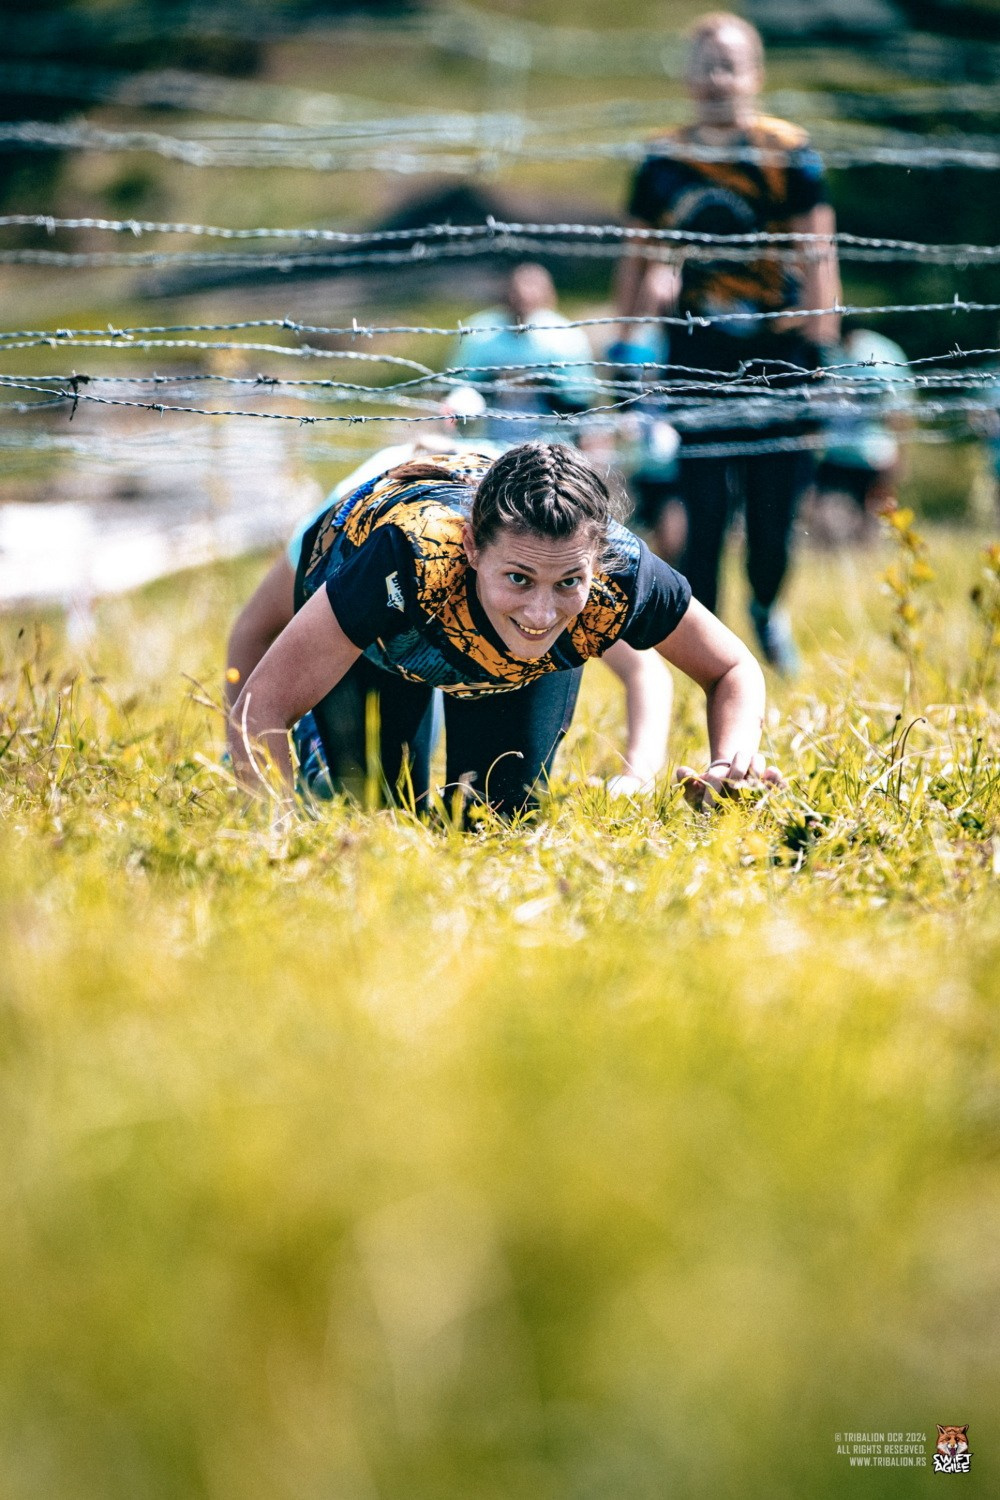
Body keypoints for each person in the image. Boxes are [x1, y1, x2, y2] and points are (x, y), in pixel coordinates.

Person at [226, 441, 779, 819]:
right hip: (378, 650)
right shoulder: (408, 558)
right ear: (471, 548)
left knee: (497, 819)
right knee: (369, 807)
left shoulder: (621, 575)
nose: (541, 615)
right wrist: (278, 833)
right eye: (519, 578)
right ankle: (318, 754)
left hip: (509, 675)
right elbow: (261, 705)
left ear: (596, 562)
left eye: (568, 583)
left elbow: (731, 667)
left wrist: (730, 765)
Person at [614, 10, 841, 674]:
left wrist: (822, 341)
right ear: (687, 76)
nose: (718, 77)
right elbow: (635, 255)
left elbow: (818, 250)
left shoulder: (788, 151)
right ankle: (708, 650)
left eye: (731, 63)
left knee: (774, 510)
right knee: (703, 509)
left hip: (782, 352)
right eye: (706, 63)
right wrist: (624, 342)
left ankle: (769, 611)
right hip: (698, 352)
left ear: (755, 75)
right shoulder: (663, 160)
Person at [452, 263, 597, 445]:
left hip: (550, 443)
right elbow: (459, 388)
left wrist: (538, 382)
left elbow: (578, 400)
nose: (524, 295)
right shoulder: (480, 334)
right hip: (486, 440)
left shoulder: (565, 337)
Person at [810, 326, 911, 541]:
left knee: (860, 528)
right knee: (849, 527)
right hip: (855, 454)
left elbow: (897, 411)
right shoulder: (886, 351)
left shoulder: (875, 355)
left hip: (863, 454)